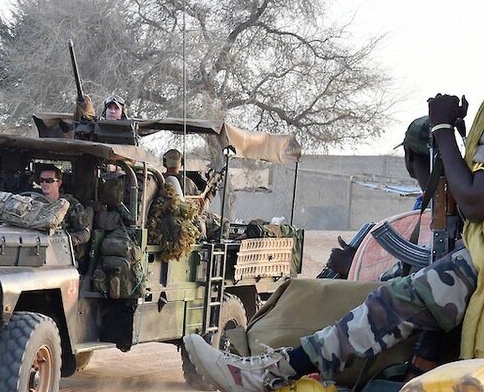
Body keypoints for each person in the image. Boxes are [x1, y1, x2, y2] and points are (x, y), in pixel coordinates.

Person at [183, 93, 484, 391]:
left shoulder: (444, 216)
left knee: (377, 300)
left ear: (408, 158)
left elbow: (474, 202)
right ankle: (270, 367)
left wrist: (442, 130)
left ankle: (272, 369)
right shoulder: (428, 215)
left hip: (407, 342)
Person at [38, 165, 93, 246]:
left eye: (49, 180)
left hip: (62, 250)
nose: (44, 183)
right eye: (42, 180)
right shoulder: (35, 203)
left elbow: (85, 233)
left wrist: (65, 240)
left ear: (59, 183)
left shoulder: (71, 204)